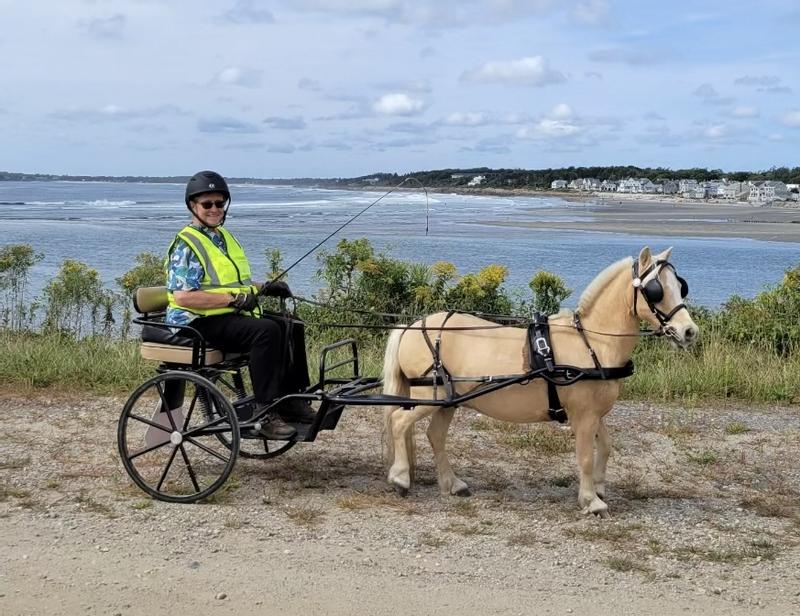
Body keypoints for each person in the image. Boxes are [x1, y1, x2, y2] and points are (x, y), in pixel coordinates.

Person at [165, 170, 314, 439]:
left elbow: (232, 283)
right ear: (192, 206)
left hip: (224, 314)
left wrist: (265, 287)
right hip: (194, 321)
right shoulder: (186, 244)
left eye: (219, 204)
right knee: (266, 331)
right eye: (207, 204)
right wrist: (234, 300)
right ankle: (265, 411)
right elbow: (184, 297)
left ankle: (292, 399)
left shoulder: (223, 238)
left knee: (291, 325)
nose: (214, 209)